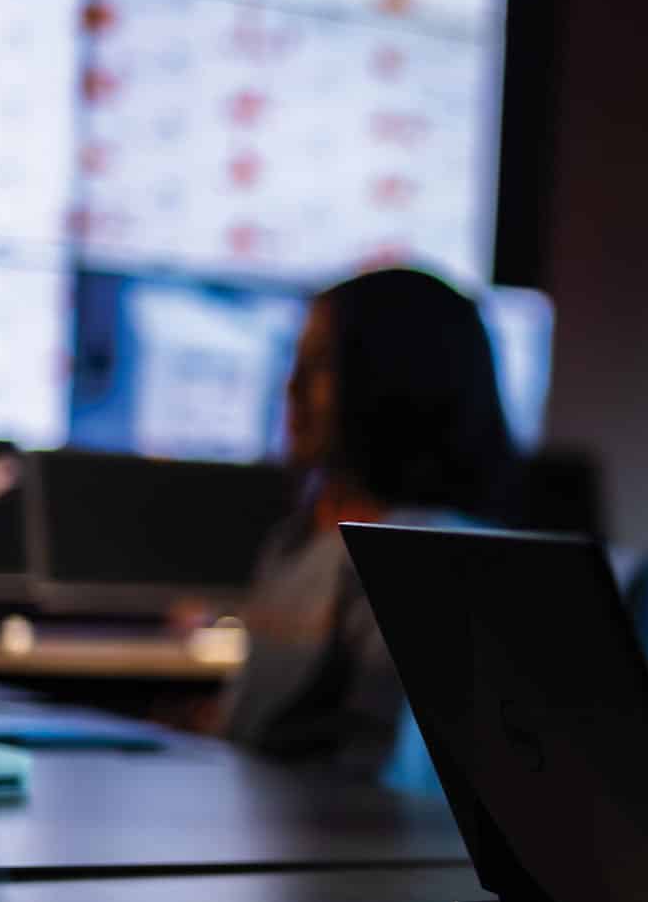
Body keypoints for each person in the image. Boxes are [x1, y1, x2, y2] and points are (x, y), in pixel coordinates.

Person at [217, 266, 518, 776]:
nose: (291, 389)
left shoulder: (426, 563)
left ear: (395, 381)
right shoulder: (295, 542)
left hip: (336, 841)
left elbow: (377, 776)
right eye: (296, 362)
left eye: (319, 366)